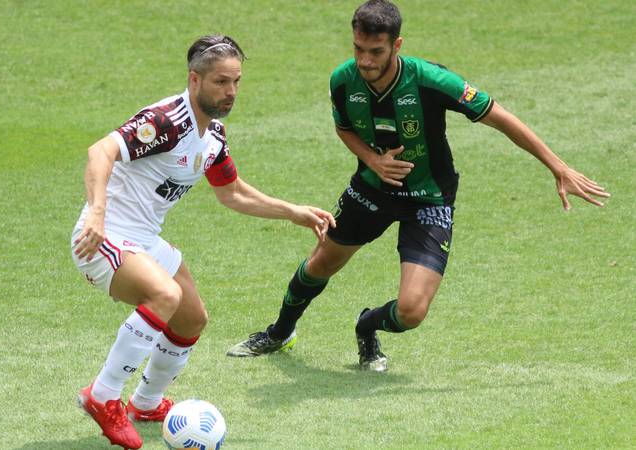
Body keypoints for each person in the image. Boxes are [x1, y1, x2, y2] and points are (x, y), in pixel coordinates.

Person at [226, 0, 609, 371]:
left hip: (429, 199)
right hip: (372, 189)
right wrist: (373, 160)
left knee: (412, 312)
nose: (365, 61)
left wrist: (557, 167)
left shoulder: (432, 81)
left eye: (375, 51)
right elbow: (343, 127)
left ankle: (367, 325)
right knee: (321, 263)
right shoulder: (343, 79)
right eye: (358, 48)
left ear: (397, 45)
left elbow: (499, 117)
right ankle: (279, 332)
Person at [71, 34, 335, 449]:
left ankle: (146, 403)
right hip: (104, 236)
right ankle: (102, 397)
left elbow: (232, 192)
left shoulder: (212, 135)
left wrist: (294, 211)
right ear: (194, 80)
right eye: (220, 82)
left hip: (141, 238)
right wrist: (98, 213)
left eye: (236, 82)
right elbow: (99, 152)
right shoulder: (165, 121)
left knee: (192, 317)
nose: (230, 92)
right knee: (165, 294)